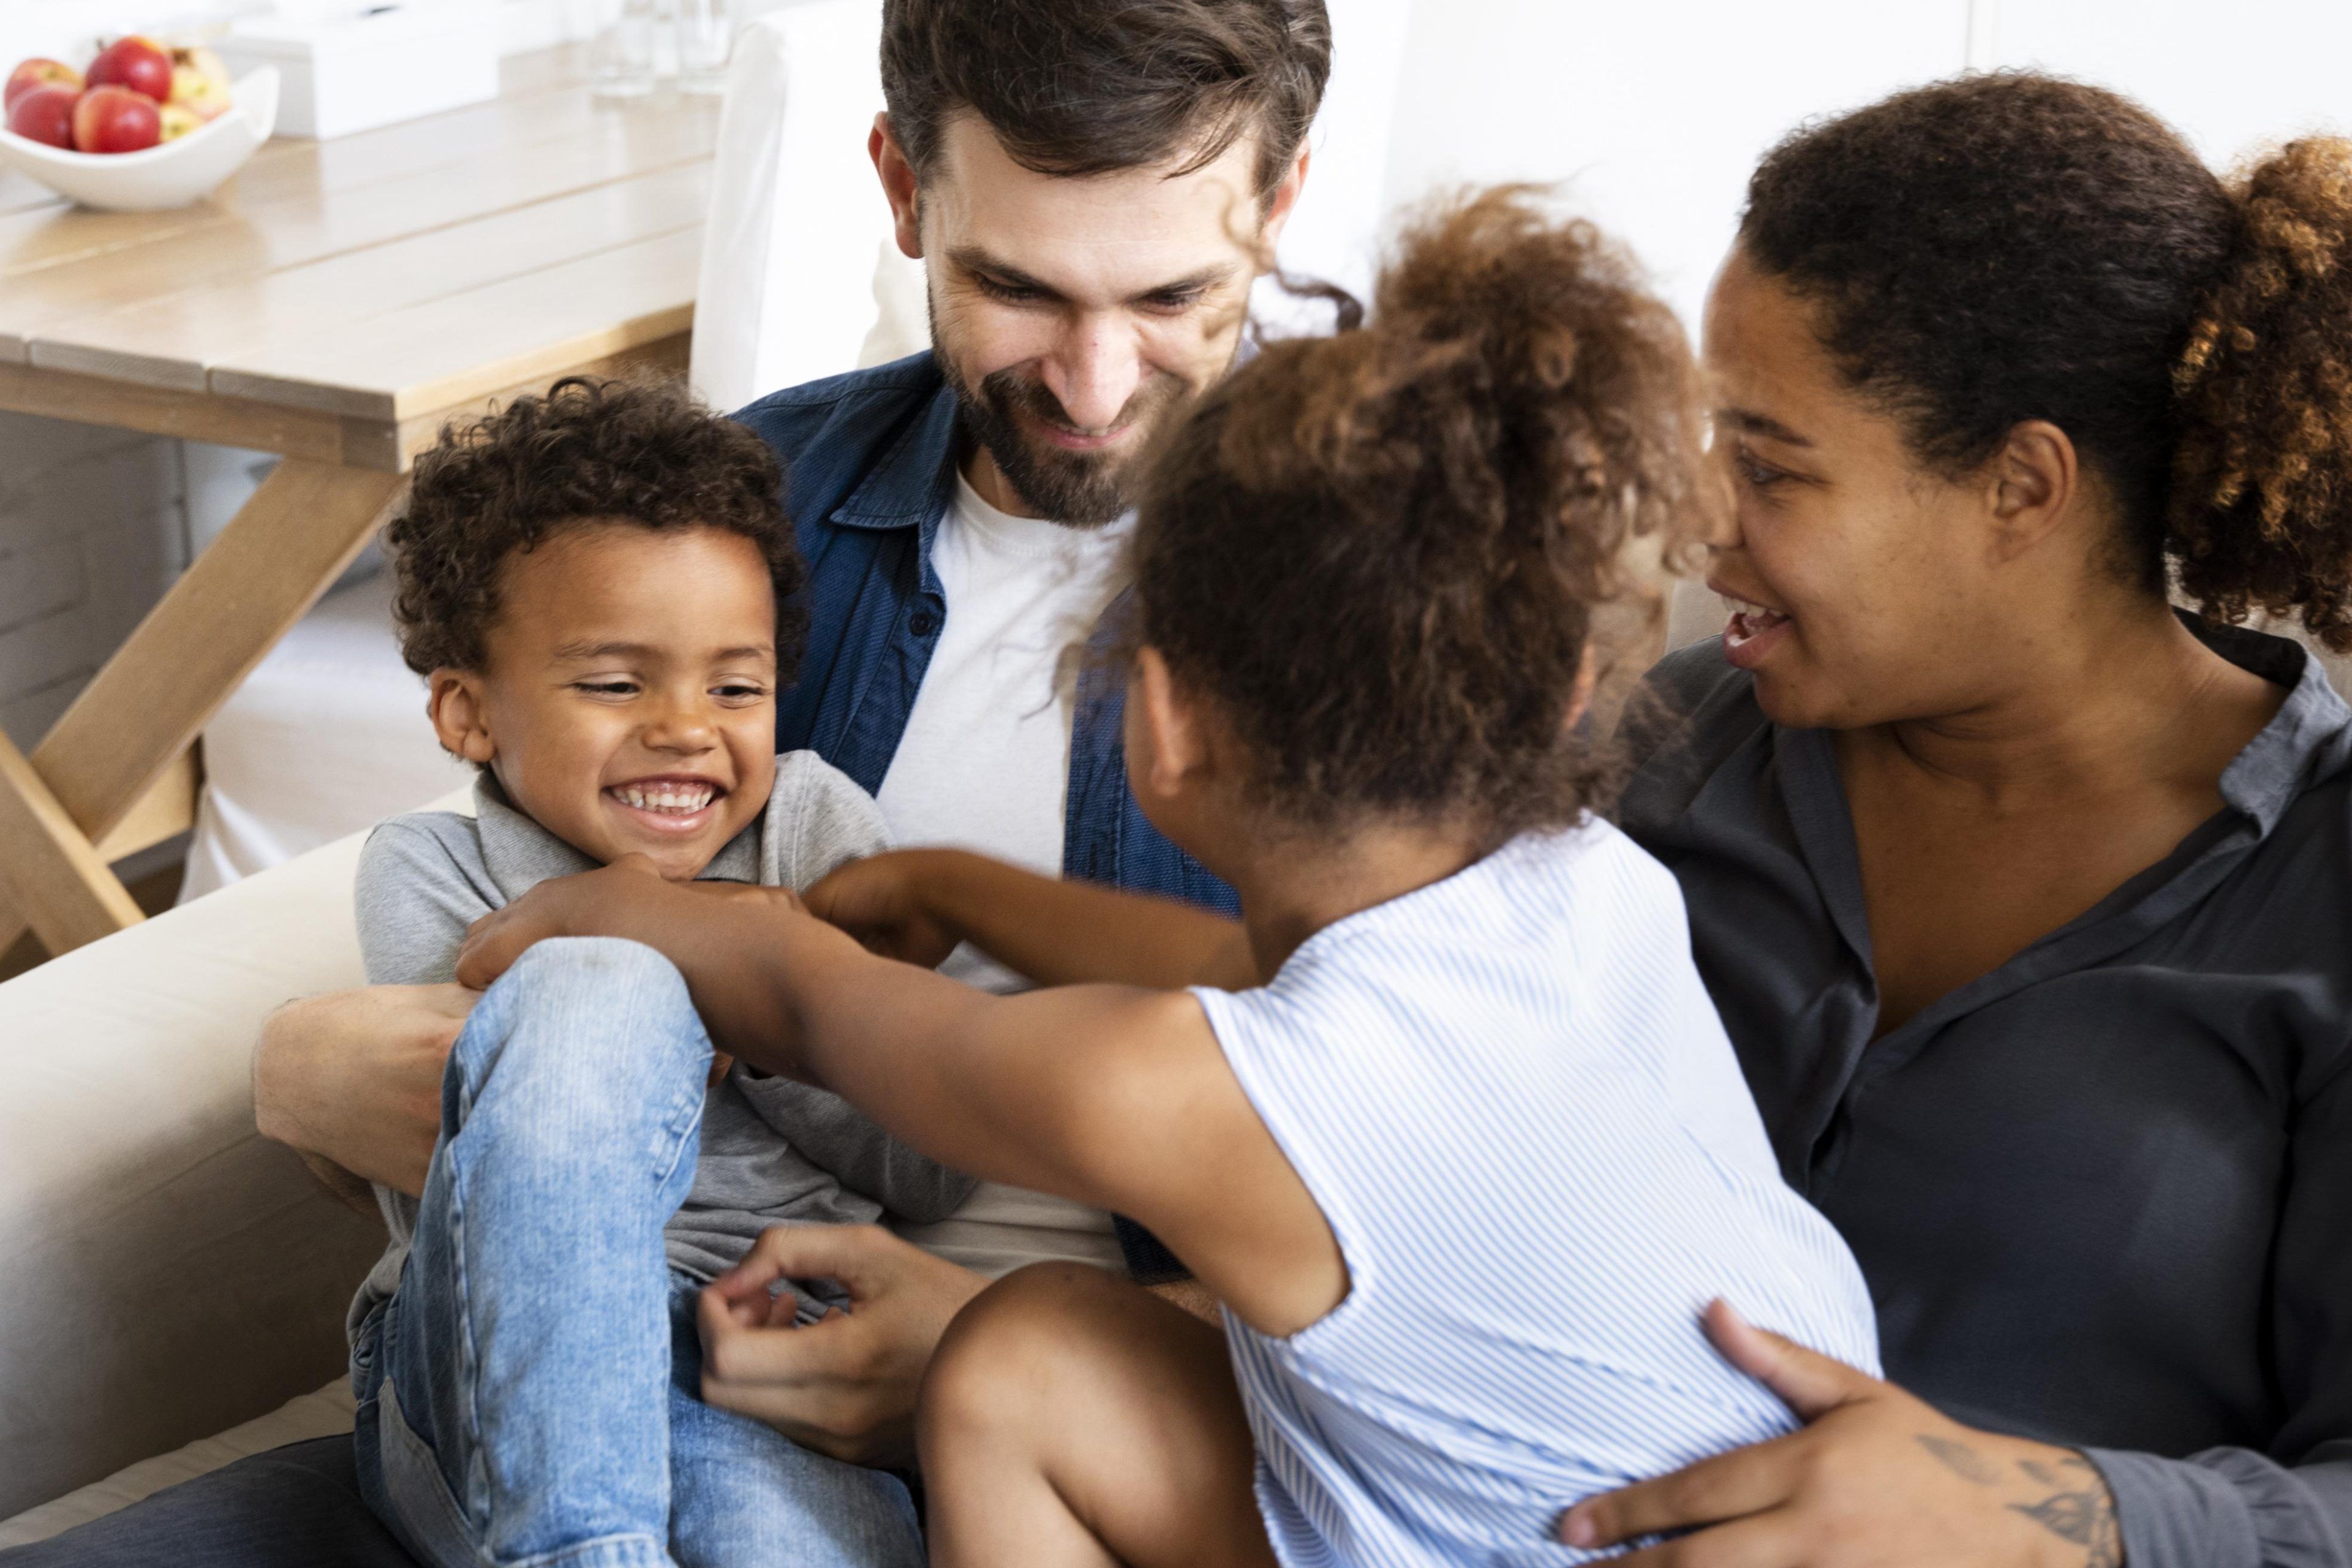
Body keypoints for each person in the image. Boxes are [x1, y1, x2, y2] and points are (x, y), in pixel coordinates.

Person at [0, 2, 1329, 1564]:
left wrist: (1012, 1356)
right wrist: (299, 1067)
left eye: (1173, 296)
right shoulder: (751, 513)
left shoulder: (1408, 607)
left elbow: (1475, 1213)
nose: (1096, 386)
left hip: (1064, 1458)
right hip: (565, 1392)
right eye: (1018, 289)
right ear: (904, 190)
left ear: (1281, 202)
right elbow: (507, 898)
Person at [451, 186, 1882, 1568]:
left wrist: (632, 911)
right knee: (1044, 1343)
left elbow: (824, 1005)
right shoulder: (1584, 881)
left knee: (1010, 1353)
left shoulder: (1174, 1096)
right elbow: (1252, 976)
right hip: (1728, 1494)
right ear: (1565, 689)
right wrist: (962, 886)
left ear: (1164, 720)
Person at [1556, 77, 2352, 1568]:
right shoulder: (1674, 745)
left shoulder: (2322, 884)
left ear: (2021, 487)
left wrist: (2057, 1516)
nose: (1701, 520)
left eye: (1770, 465)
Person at [349, 377, 980, 1567]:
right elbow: (480, 1145)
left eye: (735, 686)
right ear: (469, 713)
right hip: (490, 1344)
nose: (689, 726)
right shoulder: (428, 868)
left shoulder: (814, 828)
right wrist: (723, 966)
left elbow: (932, 1165)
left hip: (772, 1349)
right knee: (597, 988)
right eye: (615, 682)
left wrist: (767, 993)